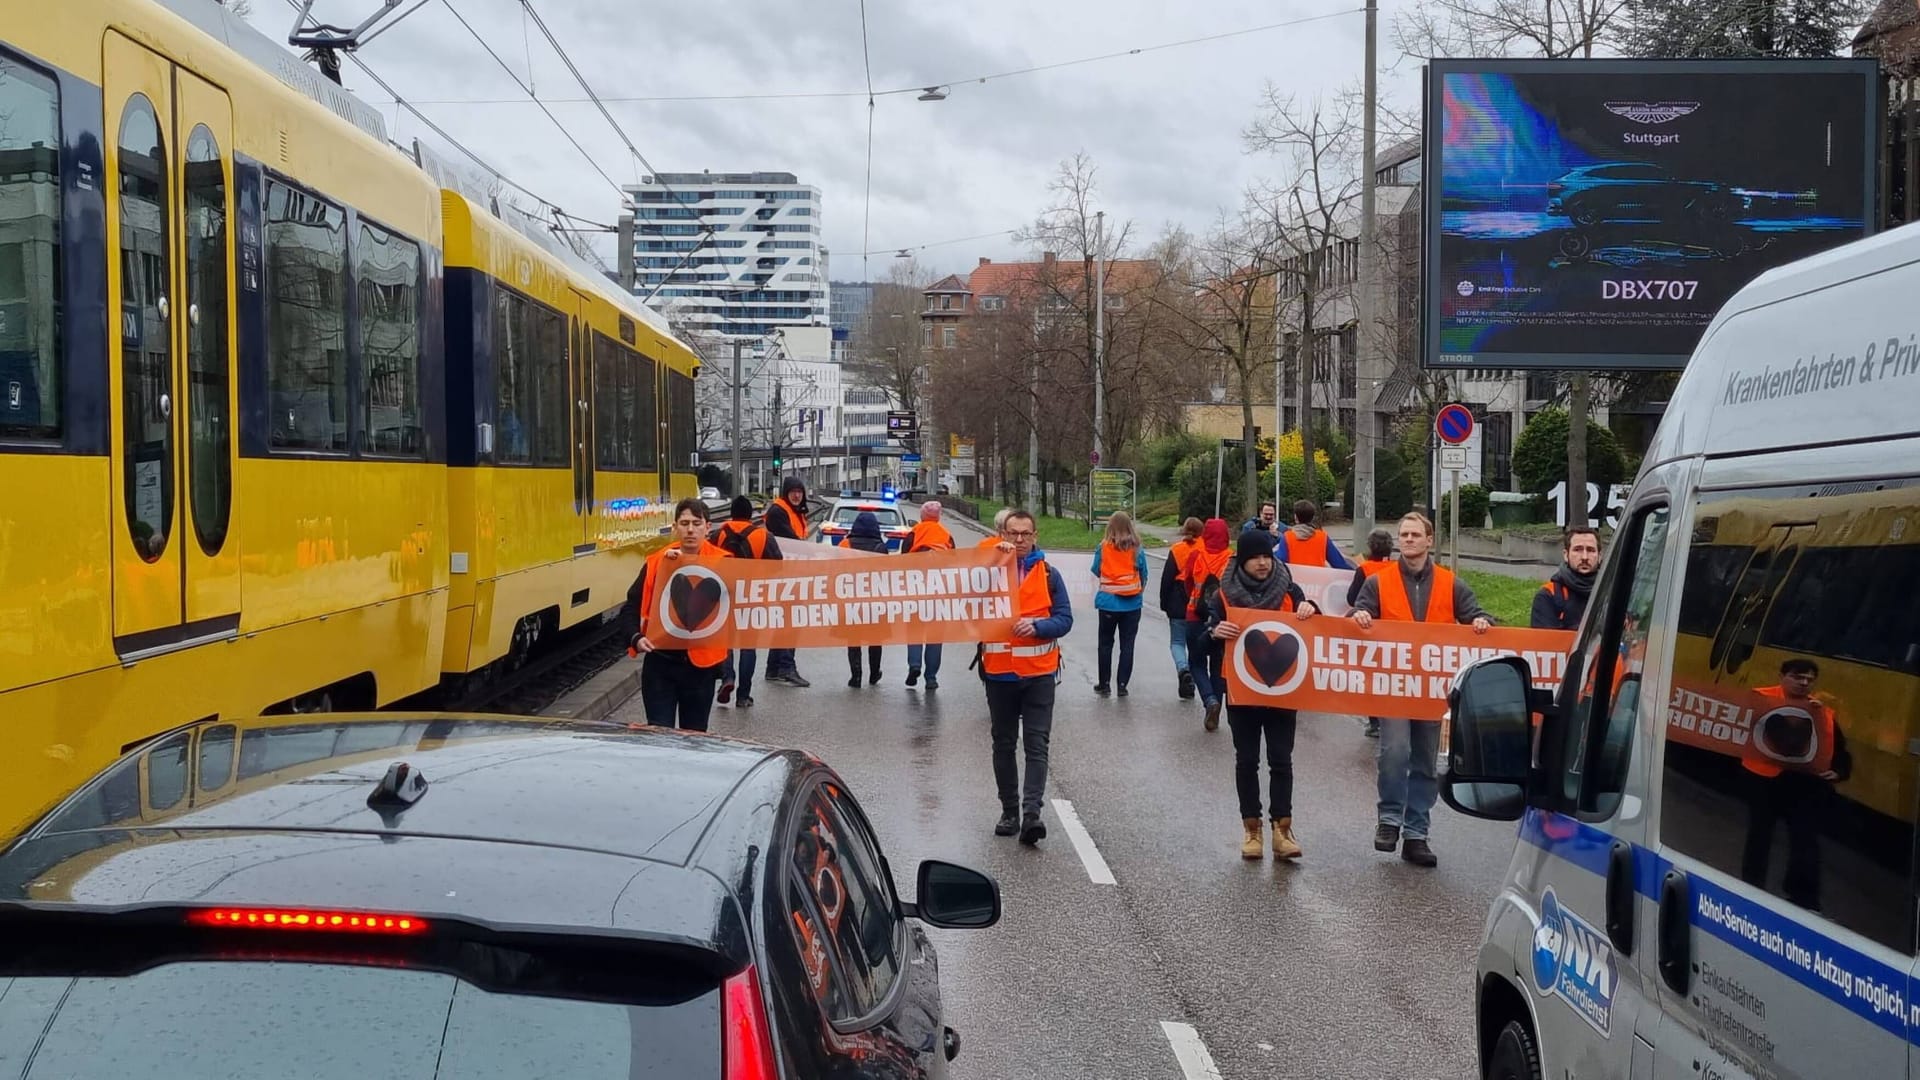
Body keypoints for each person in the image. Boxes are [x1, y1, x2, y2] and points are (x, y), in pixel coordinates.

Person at [1349, 512, 1494, 868]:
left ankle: (1416, 833)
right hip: (1394, 686)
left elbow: (1477, 613)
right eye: (1404, 534)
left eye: (1415, 534)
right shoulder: (1379, 583)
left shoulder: (1450, 583)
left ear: (1430, 541)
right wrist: (1360, 616)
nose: (1408, 540)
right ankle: (1389, 820)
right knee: (1394, 753)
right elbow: (1359, 612)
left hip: (1431, 690)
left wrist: (1480, 621)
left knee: (1426, 762)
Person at [1208, 528, 1319, 860]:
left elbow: (1315, 621)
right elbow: (1202, 637)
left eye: (1267, 557)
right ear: (1242, 561)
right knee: (1247, 760)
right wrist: (1215, 631)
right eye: (1255, 557)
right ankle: (1252, 829)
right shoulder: (1222, 595)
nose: (1262, 563)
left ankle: (1282, 830)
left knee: (1281, 760)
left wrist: (1310, 609)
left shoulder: (1289, 589)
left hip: (1283, 689)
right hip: (1242, 691)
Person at [980, 509, 1073, 846]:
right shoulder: (984, 573)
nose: (1019, 540)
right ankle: (1009, 811)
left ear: (1035, 536)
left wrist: (1038, 627)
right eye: (1013, 533)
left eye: (1025, 534)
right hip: (999, 675)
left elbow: (1065, 619)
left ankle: (1032, 813)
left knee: (1037, 744)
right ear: (1002, 534)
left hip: (1039, 675)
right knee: (1003, 744)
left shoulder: (1049, 575)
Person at [1741, 659, 1850, 910]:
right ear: (1782, 676)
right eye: (1798, 676)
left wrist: (1839, 771)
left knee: (1805, 839)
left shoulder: (1821, 712)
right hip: (1763, 782)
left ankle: (1804, 897)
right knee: (1759, 836)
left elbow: (1837, 748)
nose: (1804, 683)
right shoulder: (1761, 699)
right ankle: (1750, 888)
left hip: (1802, 787)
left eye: (1809, 679)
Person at [628, 498, 732, 731]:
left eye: (696, 523)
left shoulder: (725, 564)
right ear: (675, 527)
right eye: (684, 523)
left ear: (708, 527)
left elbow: (743, 606)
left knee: (693, 739)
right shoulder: (657, 563)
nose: (690, 530)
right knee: (660, 736)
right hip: (661, 665)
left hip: (701, 669)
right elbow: (631, 606)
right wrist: (635, 637)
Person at [710, 495, 782, 708]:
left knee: (726, 643)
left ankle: (727, 678)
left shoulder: (718, 534)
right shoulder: (762, 536)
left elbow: (705, 560)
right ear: (751, 514)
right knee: (748, 647)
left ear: (731, 512)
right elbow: (777, 565)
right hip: (751, 596)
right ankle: (743, 696)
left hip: (724, 594)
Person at [1182, 518, 1234, 732]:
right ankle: (1217, 710)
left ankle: (1209, 700)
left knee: (1196, 663)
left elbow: (1186, 582)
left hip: (1195, 615)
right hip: (1221, 619)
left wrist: (1194, 600)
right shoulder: (1232, 558)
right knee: (1217, 666)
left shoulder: (1196, 555)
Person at [1091, 511, 1149, 697]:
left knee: (1105, 644)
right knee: (1128, 645)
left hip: (1108, 604)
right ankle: (1122, 685)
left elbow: (1096, 569)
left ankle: (1104, 684)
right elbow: (1144, 574)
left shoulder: (1103, 547)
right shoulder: (1137, 548)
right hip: (1132, 605)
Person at [762, 477, 813, 688]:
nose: (796, 495)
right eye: (792, 491)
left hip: (791, 572)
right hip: (784, 574)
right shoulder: (778, 511)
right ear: (785, 492)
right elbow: (791, 541)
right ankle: (786, 667)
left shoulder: (795, 512)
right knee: (791, 620)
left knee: (786, 619)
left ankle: (773, 668)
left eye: (799, 491)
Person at [1348, 527, 1396, 738]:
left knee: (1372, 676)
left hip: (1370, 629)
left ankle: (1375, 722)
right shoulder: (1397, 568)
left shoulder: (1364, 570)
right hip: (1394, 628)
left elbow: (1352, 598)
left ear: (1369, 547)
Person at [903, 501, 955, 690]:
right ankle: (931, 677)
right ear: (938, 517)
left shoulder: (914, 533)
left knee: (915, 631)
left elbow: (903, 561)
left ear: (922, 516)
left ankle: (914, 665)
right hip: (939, 592)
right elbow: (954, 562)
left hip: (916, 590)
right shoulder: (946, 535)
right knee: (934, 636)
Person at [839, 511, 889, 687]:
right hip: (874, 602)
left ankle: (856, 675)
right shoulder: (880, 548)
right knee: (875, 639)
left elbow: (836, 570)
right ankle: (874, 674)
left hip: (851, 599)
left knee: (854, 639)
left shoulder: (845, 544)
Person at [1158, 517, 1204, 701]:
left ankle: (1182, 669)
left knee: (1177, 643)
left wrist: (1164, 602)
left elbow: (1167, 579)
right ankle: (1192, 678)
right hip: (1198, 602)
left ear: (1184, 530)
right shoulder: (1205, 549)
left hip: (1178, 601)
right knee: (1194, 644)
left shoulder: (1177, 550)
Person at [1532, 527, 1602, 631]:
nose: (1584, 557)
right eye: (1577, 550)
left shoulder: (1611, 593)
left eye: (1591, 550)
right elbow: (1544, 643)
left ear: (1600, 556)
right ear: (1566, 555)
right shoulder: (1549, 595)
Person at [1274, 499, 1354, 570]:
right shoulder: (1322, 537)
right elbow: (1338, 563)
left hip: (1295, 580)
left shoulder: (1288, 537)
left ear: (1296, 518)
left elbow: (1280, 561)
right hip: (1317, 583)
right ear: (1312, 518)